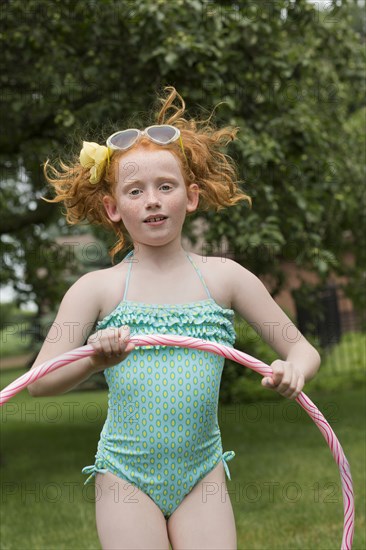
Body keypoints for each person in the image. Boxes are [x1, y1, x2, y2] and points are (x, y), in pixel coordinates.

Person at [27, 86, 321, 550]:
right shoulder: (97, 289)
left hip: (201, 473)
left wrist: (293, 370)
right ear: (113, 208)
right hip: (125, 475)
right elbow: (39, 382)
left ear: (192, 197)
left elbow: (302, 348)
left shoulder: (224, 278)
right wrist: (94, 362)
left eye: (166, 186)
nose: (152, 200)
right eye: (135, 191)